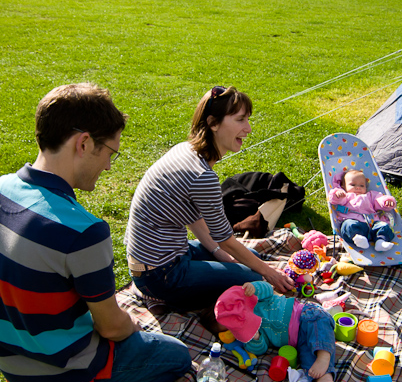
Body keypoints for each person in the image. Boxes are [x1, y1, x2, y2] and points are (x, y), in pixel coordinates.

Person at [0, 83, 196, 382]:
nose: (108, 165)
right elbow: (111, 329)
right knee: (175, 356)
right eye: (111, 152)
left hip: (10, 359)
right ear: (84, 143)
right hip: (64, 371)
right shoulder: (81, 230)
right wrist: (131, 325)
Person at [124, 85, 294, 313]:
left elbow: (195, 220)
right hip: (159, 275)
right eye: (240, 120)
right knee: (254, 278)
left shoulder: (185, 150)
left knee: (250, 259)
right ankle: (185, 302)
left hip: (165, 258)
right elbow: (224, 238)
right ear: (213, 123)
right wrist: (268, 272)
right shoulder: (202, 175)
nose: (249, 129)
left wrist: (219, 254)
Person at [214, 281, 336, 382]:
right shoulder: (247, 332)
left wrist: (253, 288)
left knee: (319, 328)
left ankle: (324, 356)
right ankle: (325, 379)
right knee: (308, 359)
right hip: (299, 341)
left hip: (305, 315)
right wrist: (255, 337)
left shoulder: (254, 300)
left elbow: (268, 289)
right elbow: (261, 349)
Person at [327, 169, 397, 251]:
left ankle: (380, 241)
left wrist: (386, 202)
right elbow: (335, 200)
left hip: (372, 225)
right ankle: (359, 239)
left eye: (362, 186)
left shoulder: (370, 195)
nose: (358, 188)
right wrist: (337, 195)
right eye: (353, 185)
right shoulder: (346, 196)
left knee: (384, 226)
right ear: (344, 187)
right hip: (356, 225)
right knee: (348, 225)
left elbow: (379, 200)